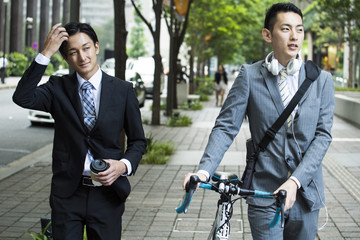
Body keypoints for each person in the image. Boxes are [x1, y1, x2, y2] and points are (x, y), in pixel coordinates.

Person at [183, 3, 334, 240]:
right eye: (285, 29)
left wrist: (295, 181)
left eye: (300, 29)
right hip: (263, 194)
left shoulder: (322, 80)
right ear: (267, 35)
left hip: (305, 195)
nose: (294, 36)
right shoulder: (250, 76)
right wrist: (204, 171)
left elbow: (323, 136)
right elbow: (226, 127)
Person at [13, 22, 147, 239]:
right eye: (73, 52)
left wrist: (123, 166)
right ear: (66, 58)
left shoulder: (123, 91)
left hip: (107, 193)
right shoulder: (57, 88)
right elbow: (22, 97)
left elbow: (138, 141)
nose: (82, 57)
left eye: (86, 48)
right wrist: (46, 52)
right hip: (67, 194)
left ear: (96, 47)